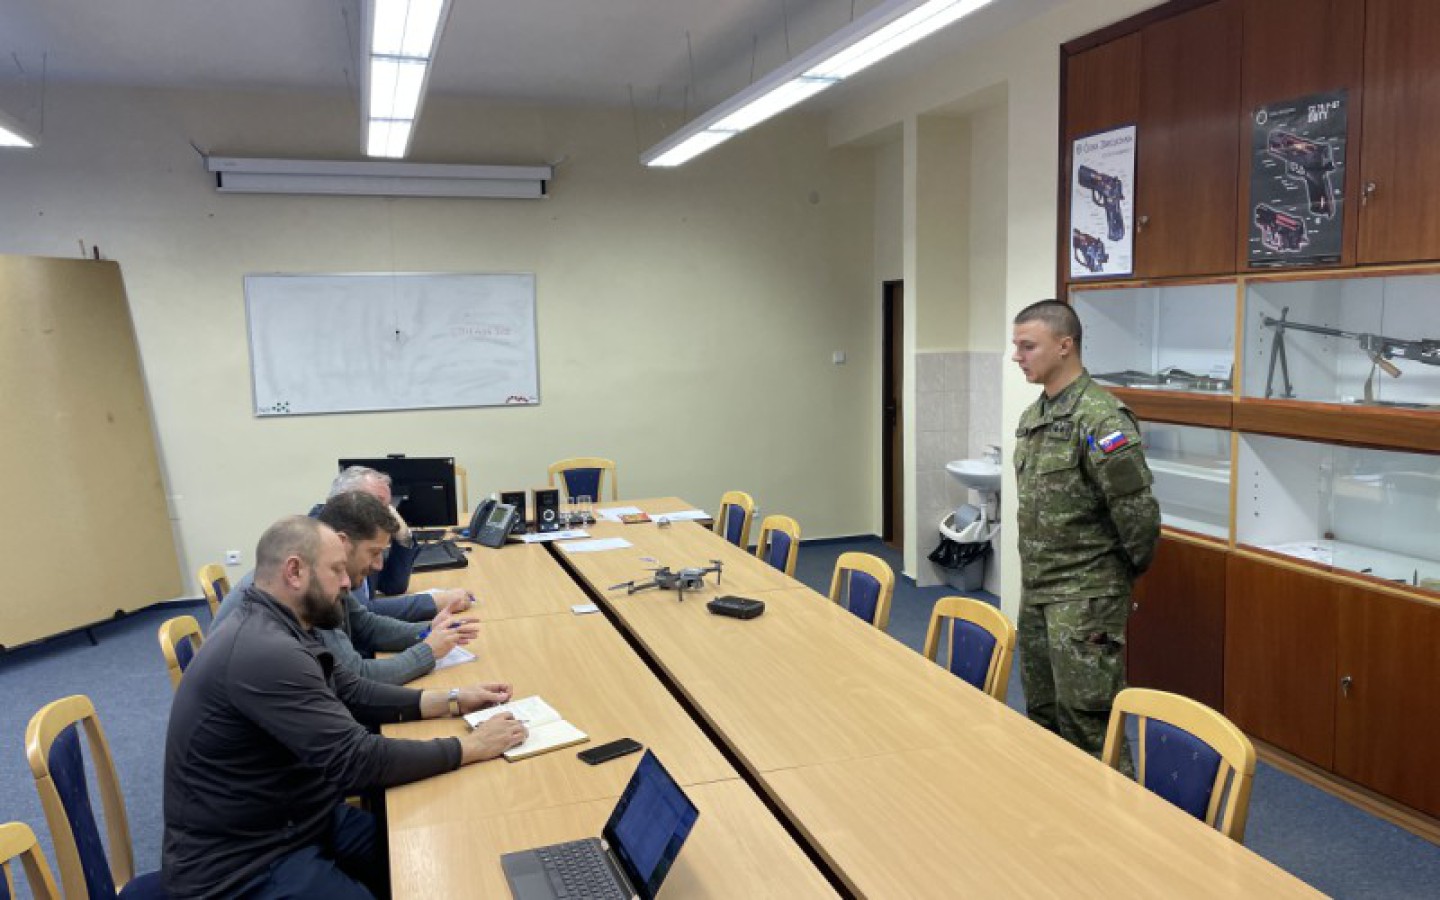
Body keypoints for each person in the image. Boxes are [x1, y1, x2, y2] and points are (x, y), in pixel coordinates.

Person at [163, 515, 526, 898]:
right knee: (416, 868)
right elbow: (356, 761)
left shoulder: (283, 622)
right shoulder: (263, 650)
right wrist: (471, 746)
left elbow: (352, 691)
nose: (347, 582)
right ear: (294, 572)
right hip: (245, 862)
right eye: (336, 570)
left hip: (301, 816)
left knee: (439, 857)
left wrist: (451, 700)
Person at [1010, 299, 1160, 770]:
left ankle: (1117, 814)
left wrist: (1114, 579)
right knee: (1043, 715)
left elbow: (1138, 515)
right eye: (1016, 346)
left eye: (1028, 346)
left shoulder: (1101, 419)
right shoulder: (1037, 414)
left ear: (1064, 345)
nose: (1017, 356)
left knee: (1087, 724)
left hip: (1085, 593)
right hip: (1039, 589)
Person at [215, 491, 477, 684]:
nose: (379, 565)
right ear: (342, 542)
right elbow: (356, 676)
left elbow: (365, 625)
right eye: (374, 552)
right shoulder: (307, 587)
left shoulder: (326, 572)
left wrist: (428, 631)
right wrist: (427, 651)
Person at [316, 466, 471, 622]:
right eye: (377, 504)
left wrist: (403, 536)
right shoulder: (322, 540)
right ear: (346, 501)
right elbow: (360, 614)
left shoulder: (364, 532)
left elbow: (392, 585)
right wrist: (434, 602)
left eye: (388, 507)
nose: (387, 513)